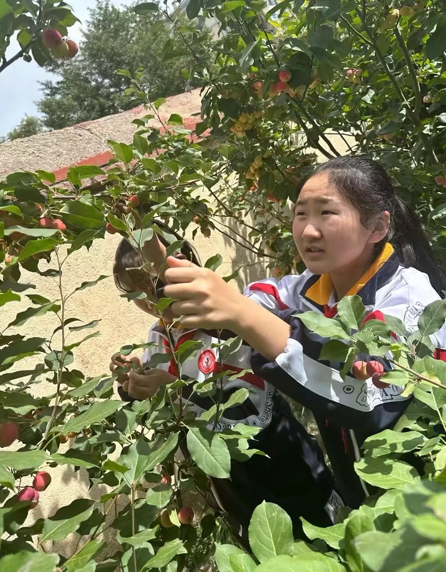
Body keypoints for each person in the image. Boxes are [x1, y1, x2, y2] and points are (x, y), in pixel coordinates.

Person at [156, 156, 446, 509]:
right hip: (361, 498)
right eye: (301, 213)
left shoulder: (412, 298)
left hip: (426, 496)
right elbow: (239, 311)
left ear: (377, 227)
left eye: (326, 213)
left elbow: (373, 397)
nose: (308, 230)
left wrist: (241, 314)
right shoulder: (302, 290)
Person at [110, 229, 343, 542]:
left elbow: (250, 408)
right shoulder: (158, 335)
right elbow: (163, 404)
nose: (151, 303)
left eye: (156, 288)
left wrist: (177, 388)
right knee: (260, 549)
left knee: (320, 538)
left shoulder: (224, 325)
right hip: (227, 480)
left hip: (279, 462)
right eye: (133, 293)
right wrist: (133, 384)